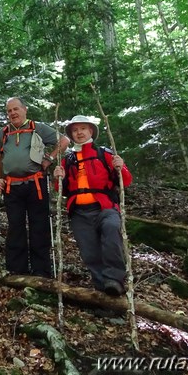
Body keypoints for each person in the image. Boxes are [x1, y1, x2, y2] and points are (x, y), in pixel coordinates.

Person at [53, 115, 133, 296]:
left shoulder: (104, 153)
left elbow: (125, 180)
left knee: (112, 230)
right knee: (89, 252)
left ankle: (114, 280)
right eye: (75, 130)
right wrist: (58, 177)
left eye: (83, 128)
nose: (79, 132)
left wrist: (121, 167)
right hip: (79, 212)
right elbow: (61, 190)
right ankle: (102, 291)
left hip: (105, 208)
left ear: (91, 131)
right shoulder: (68, 159)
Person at [0, 97, 69, 278]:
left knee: (39, 226)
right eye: (9, 111)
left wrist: (49, 159)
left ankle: (41, 270)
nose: (13, 113)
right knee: (15, 226)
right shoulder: (3, 133)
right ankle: (17, 270)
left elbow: (64, 141)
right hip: (12, 186)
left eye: (16, 109)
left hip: (36, 184)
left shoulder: (38, 127)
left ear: (24, 109)